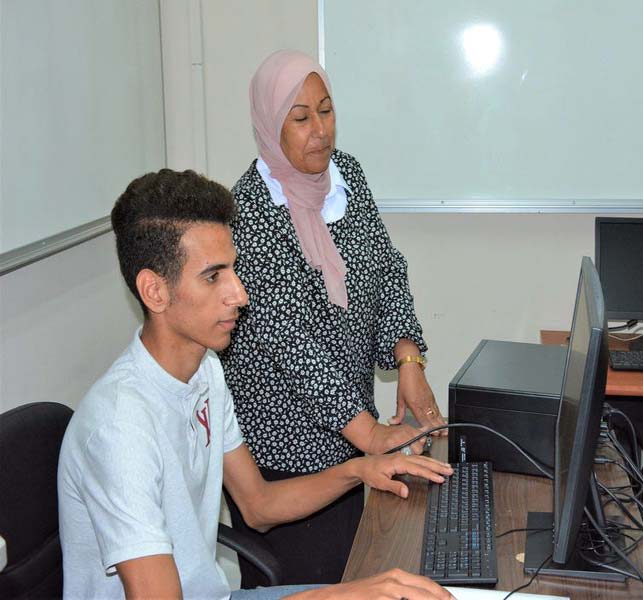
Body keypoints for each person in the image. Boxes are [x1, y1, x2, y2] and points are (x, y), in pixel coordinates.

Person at [57, 168, 454, 600]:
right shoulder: (119, 427)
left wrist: (361, 470)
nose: (240, 294)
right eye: (214, 276)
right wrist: (338, 596)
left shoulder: (205, 370)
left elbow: (258, 506)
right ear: (154, 291)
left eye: (234, 269)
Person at [219, 49, 447, 584]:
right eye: (300, 118)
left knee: (353, 574)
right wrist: (369, 434)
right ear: (271, 125)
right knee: (311, 584)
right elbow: (290, 343)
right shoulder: (248, 210)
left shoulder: (348, 176)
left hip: (349, 436)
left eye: (326, 111)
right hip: (284, 452)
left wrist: (408, 359)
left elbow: (386, 267)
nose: (320, 130)